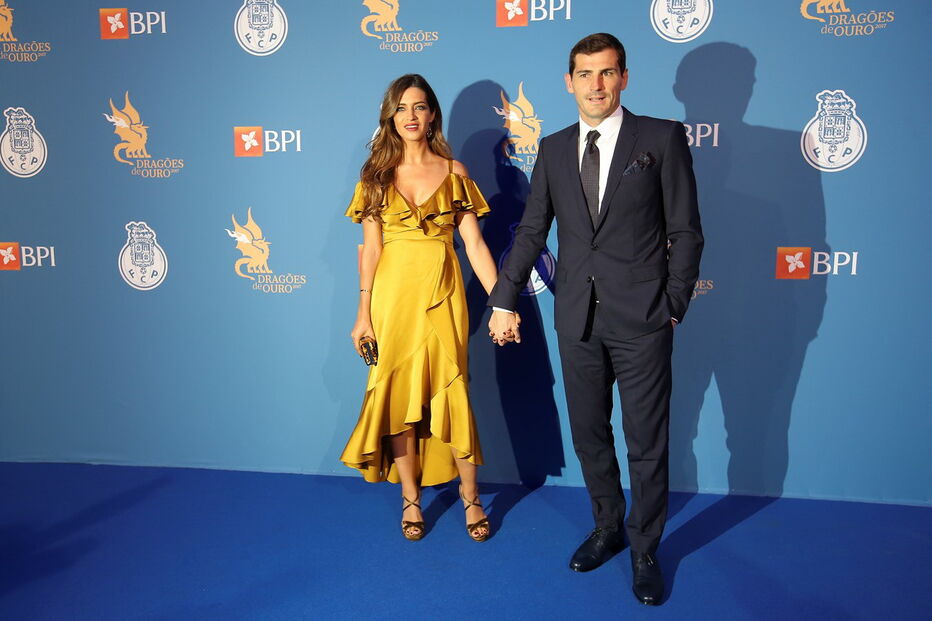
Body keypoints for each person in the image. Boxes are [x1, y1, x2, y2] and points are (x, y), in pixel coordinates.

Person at [488, 34, 703, 605]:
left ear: (624, 78)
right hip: (576, 318)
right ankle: (608, 526)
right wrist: (504, 299)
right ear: (569, 81)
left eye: (607, 73)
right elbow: (534, 230)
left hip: (643, 318)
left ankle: (645, 547)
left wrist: (674, 302)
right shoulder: (555, 149)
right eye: (585, 74)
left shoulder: (659, 137)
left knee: (646, 441)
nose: (596, 85)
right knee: (589, 432)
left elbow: (685, 229)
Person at [341, 74, 506, 543]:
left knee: (451, 390)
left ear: (432, 114)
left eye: (419, 107)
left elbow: (473, 245)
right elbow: (370, 250)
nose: (410, 116)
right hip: (393, 299)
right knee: (398, 397)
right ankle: (411, 497)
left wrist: (503, 304)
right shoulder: (374, 176)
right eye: (401, 108)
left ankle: (471, 497)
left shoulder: (455, 172)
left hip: (442, 295)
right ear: (390, 117)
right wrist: (363, 314)